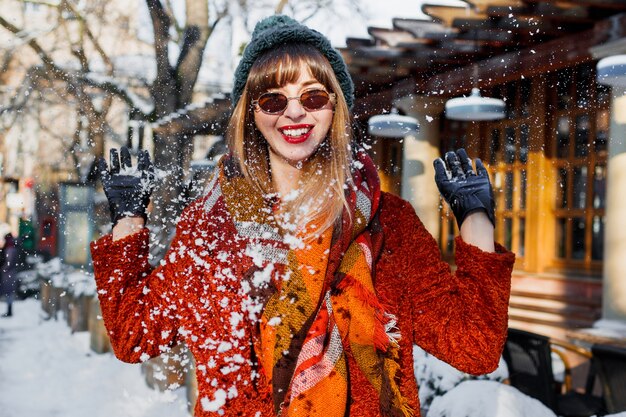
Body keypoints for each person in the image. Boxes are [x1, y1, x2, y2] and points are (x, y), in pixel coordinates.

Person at [90, 15, 515, 417]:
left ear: (335, 109)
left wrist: (475, 217)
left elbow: (473, 346)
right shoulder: (211, 229)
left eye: (313, 96)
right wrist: (129, 218)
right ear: (252, 116)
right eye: (274, 100)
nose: (295, 112)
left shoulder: (391, 223)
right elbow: (135, 335)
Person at [1, 233, 19, 317]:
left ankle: (9, 311)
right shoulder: (12, 248)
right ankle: (9, 310)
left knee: (9, 293)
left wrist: (3, 269)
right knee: (9, 293)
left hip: (8, 274)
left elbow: (9, 263)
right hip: (10, 274)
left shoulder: (10, 249)